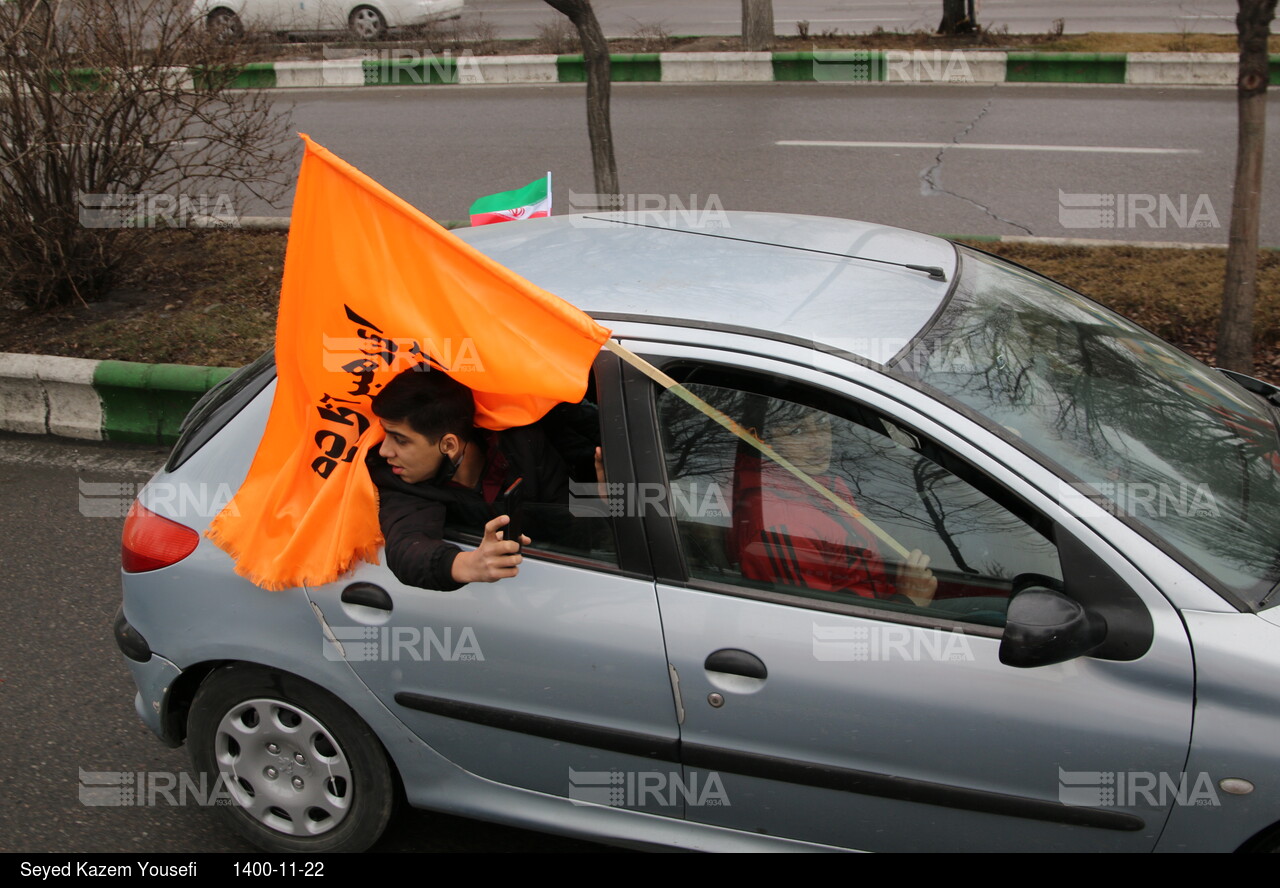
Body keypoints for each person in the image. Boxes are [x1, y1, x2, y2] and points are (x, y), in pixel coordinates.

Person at [368, 365, 600, 591]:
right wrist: (466, 564)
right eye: (387, 435)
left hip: (559, 592)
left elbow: (573, 531)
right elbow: (407, 547)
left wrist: (601, 501)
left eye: (400, 440)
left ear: (449, 444)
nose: (384, 451)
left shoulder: (523, 445)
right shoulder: (400, 479)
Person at [731, 407, 938, 607]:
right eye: (797, 431)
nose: (819, 442)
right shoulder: (783, 521)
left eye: (821, 422)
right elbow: (815, 624)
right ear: (765, 441)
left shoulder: (822, 483)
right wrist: (907, 603)